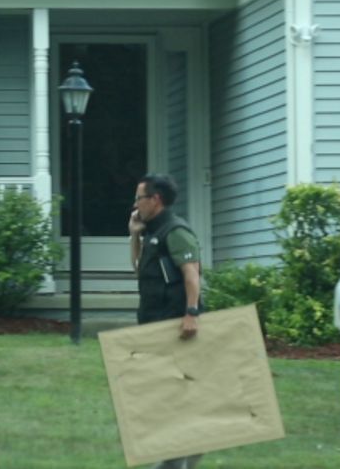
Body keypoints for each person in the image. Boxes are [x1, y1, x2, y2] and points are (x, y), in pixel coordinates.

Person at [127, 173, 204, 469]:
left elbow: (192, 274)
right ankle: (185, 455)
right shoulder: (153, 231)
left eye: (139, 198)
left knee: (172, 396)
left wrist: (191, 314)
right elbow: (137, 267)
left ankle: (176, 461)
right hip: (154, 323)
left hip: (176, 325)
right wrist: (135, 233)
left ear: (155, 200)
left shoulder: (176, 231)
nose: (135, 205)